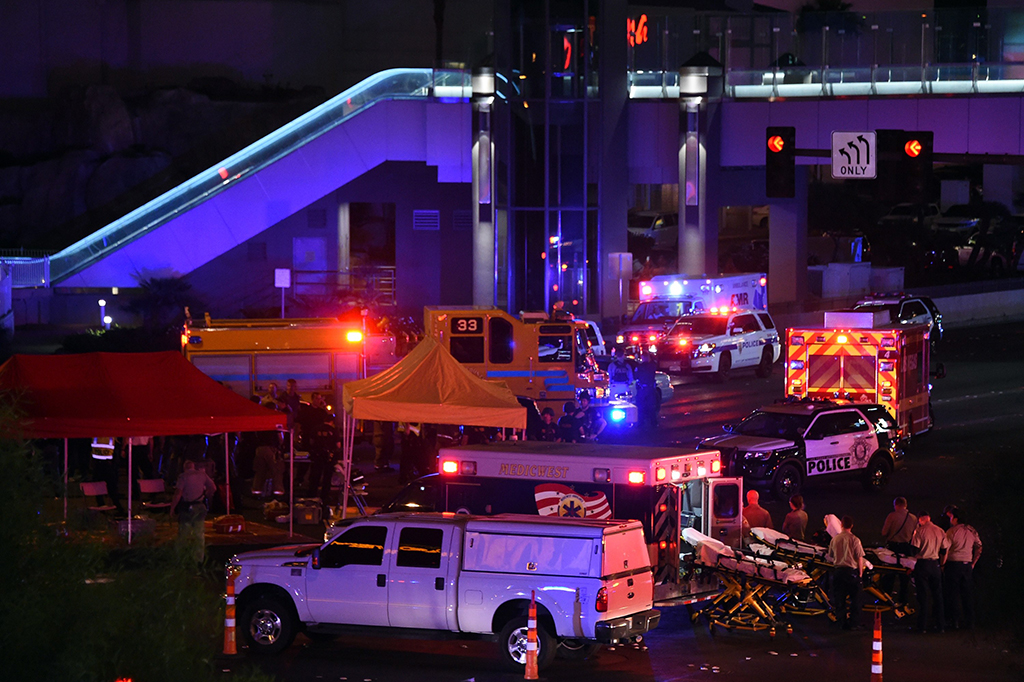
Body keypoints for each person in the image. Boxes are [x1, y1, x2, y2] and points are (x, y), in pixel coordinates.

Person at [911, 511, 951, 633]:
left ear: (921, 519)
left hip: (923, 564)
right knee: (938, 595)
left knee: (923, 595)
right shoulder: (940, 531)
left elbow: (914, 550)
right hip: (935, 564)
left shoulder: (920, 531)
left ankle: (922, 626)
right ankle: (940, 626)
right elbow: (944, 549)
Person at [170, 459, 217, 564]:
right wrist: (207, 494)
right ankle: (199, 558)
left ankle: (181, 557)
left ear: (184, 467)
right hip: (200, 505)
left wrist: (172, 508)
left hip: (187, 507)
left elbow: (178, 493)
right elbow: (213, 487)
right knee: (199, 533)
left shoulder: (183, 477)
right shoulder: (202, 475)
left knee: (183, 533)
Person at [943, 507, 982, 630]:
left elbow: (946, 549)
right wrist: (973, 562)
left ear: (955, 518)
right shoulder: (972, 530)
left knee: (952, 593)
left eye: (951, 517)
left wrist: (942, 564)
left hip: (953, 564)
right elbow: (979, 547)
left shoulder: (951, 531)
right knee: (967, 594)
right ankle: (970, 621)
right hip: (967, 565)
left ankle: (954, 621)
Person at [828, 515, 866, 630]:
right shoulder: (855, 539)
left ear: (841, 525)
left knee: (839, 599)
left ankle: (841, 622)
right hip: (851, 572)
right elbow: (859, 557)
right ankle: (854, 623)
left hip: (838, 572)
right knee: (855, 599)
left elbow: (831, 555)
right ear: (852, 526)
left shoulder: (835, 539)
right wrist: (860, 574)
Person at [881, 496, 918, 605]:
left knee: (889, 574)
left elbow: (884, 532)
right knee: (904, 575)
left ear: (896, 505)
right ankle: (903, 600)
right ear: (906, 505)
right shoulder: (913, 518)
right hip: (906, 547)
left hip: (893, 547)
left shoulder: (892, 516)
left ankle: (887, 598)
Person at [634, 351, 659, 429]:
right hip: (651, 388)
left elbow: (636, 376)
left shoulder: (639, 367)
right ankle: (653, 423)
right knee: (652, 406)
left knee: (641, 406)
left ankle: (641, 422)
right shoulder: (652, 366)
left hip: (642, 389)